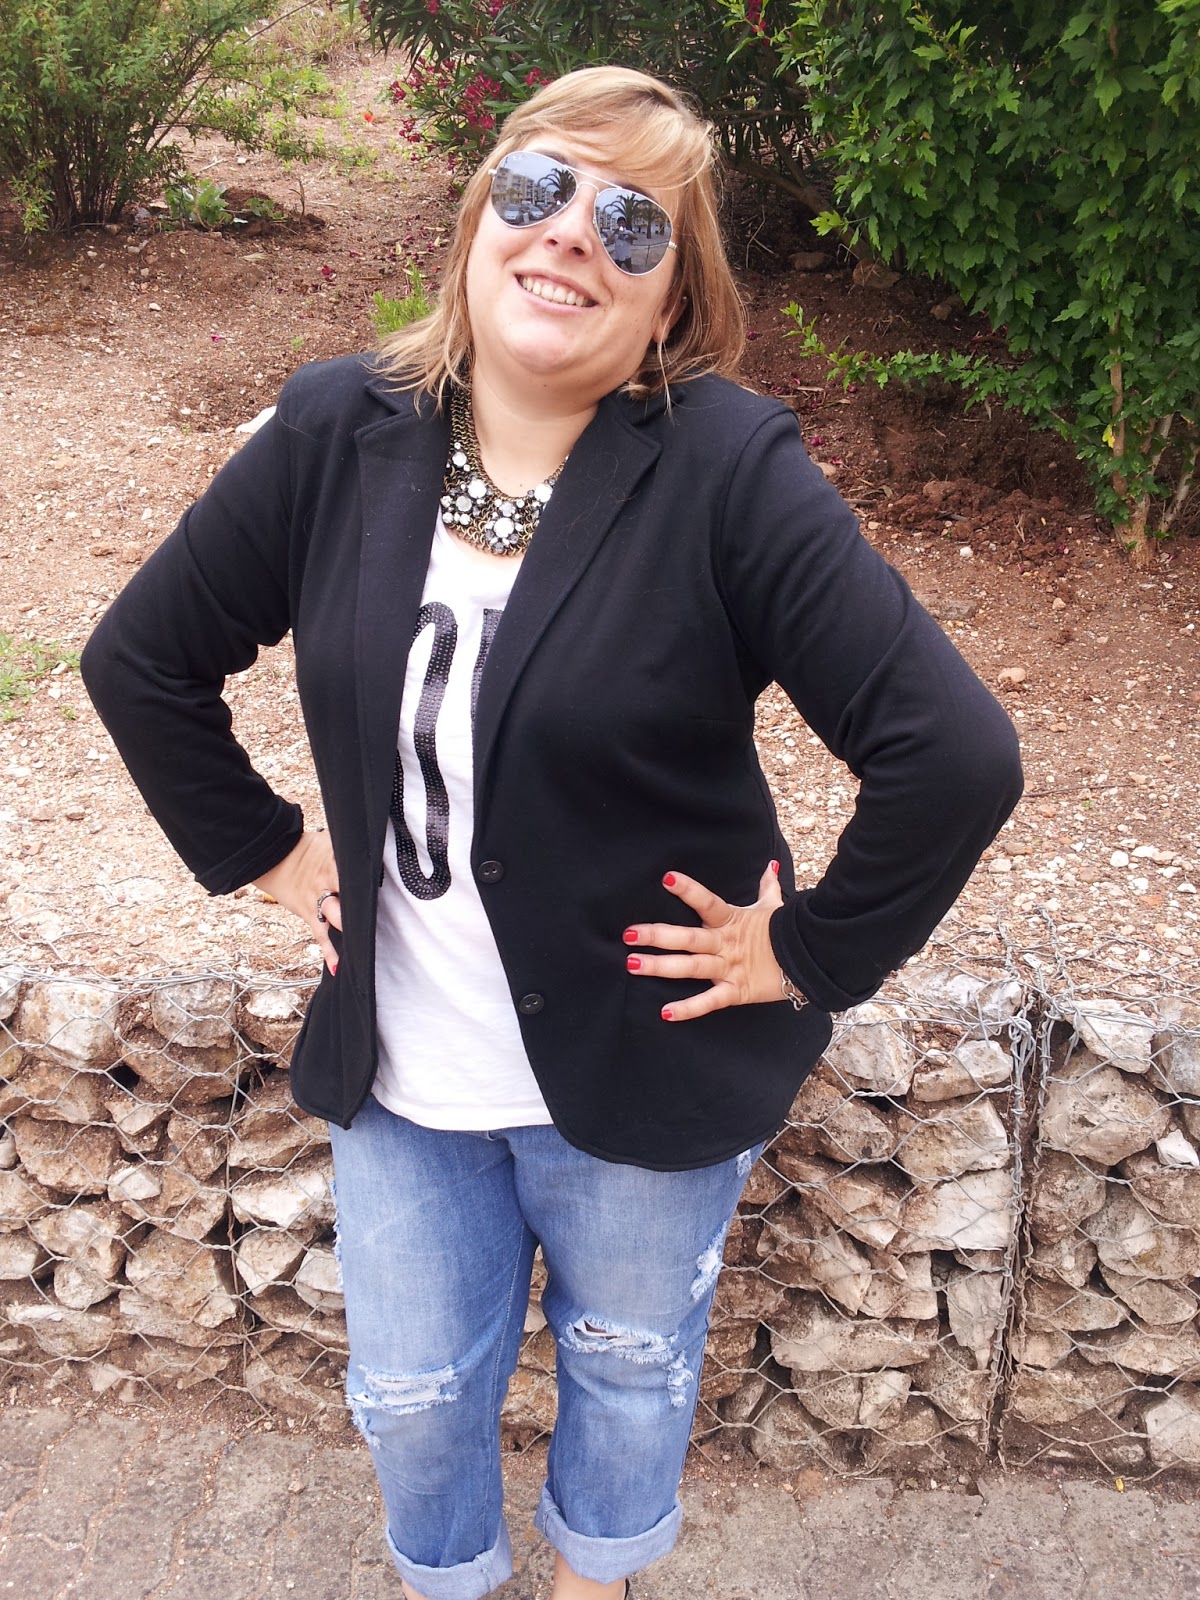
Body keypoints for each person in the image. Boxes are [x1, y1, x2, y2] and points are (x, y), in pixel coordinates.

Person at [82, 64, 1022, 1600]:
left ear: (670, 300)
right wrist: (267, 852)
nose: (572, 233)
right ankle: (452, 1578)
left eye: (632, 222)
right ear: (476, 223)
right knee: (411, 1396)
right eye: (537, 189)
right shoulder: (337, 432)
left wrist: (807, 951)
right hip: (404, 1074)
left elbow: (955, 754)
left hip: (647, 1064)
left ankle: (598, 1575)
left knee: (633, 1369)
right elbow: (141, 661)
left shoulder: (726, 472)